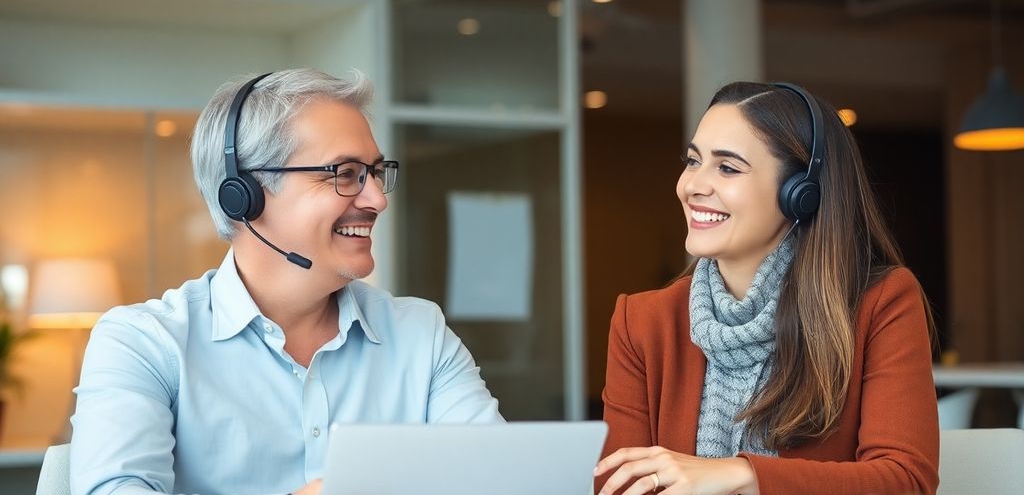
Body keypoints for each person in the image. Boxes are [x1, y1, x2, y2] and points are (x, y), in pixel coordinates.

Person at [70, 69, 503, 495]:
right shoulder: (144, 343)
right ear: (243, 194)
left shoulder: (420, 335)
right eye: (346, 173)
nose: (377, 199)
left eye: (375, 172)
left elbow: (499, 479)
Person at [593, 82, 939, 495]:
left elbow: (905, 481)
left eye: (727, 167)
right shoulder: (641, 322)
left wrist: (742, 475)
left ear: (800, 195)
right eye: (692, 161)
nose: (691, 186)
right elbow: (620, 485)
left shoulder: (881, 303)